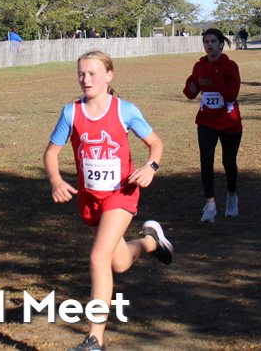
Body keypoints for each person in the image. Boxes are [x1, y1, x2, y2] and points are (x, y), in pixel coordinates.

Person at [44, 50, 173, 351]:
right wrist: (56, 180)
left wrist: (150, 167)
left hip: (122, 194)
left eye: (92, 74)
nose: (86, 79)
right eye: (81, 74)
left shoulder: (124, 110)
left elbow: (155, 143)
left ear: (109, 76)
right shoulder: (71, 113)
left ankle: (94, 340)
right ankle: (152, 241)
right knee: (119, 263)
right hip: (90, 198)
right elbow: (51, 153)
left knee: (98, 258)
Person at [183, 28, 243, 223]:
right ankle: (210, 204)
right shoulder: (199, 66)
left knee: (229, 161)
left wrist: (215, 73)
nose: (209, 45)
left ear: (221, 44)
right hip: (206, 120)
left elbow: (230, 95)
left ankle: (232, 197)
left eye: (213, 41)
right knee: (206, 160)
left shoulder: (230, 66)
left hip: (229, 120)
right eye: (206, 41)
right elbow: (190, 91)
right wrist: (191, 89)